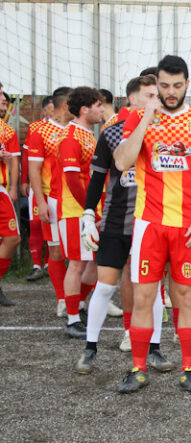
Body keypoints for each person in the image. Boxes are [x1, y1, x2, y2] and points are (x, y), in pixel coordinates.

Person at [114, 55, 191, 393]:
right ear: (156, 84)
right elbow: (121, 161)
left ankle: (189, 369)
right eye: (164, 86)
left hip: (189, 227)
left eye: (177, 85)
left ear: (187, 83)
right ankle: (138, 367)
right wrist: (147, 117)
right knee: (144, 297)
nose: (171, 92)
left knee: (187, 297)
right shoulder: (137, 117)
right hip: (150, 224)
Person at [75, 75, 173, 375]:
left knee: (152, 289)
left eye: (158, 95)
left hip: (151, 223)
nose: (156, 101)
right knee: (105, 287)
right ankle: (89, 349)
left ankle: (154, 348)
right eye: (149, 96)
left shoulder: (168, 133)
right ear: (133, 99)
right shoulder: (112, 133)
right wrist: (89, 215)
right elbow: (96, 177)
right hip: (116, 222)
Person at [55, 86, 103, 338]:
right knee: (76, 264)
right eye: (98, 105)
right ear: (84, 109)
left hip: (87, 210)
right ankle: (72, 318)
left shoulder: (87, 135)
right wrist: (89, 210)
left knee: (92, 262)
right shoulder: (71, 137)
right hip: (75, 211)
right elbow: (72, 180)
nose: (102, 110)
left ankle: (79, 306)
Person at [27, 87, 73, 317]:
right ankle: (63, 299)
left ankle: (81, 299)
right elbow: (33, 169)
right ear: (66, 105)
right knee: (55, 252)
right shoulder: (40, 131)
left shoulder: (80, 130)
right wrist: (41, 202)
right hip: (52, 200)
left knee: (83, 255)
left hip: (76, 201)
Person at [23, 96, 54, 282]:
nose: (53, 112)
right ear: (44, 111)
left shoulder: (65, 128)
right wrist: (24, 181)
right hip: (38, 185)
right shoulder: (35, 128)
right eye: (50, 109)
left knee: (50, 223)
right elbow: (27, 156)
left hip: (56, 187)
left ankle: (50, 264)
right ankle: (36, 265)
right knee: (35, 223)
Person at [0, 93, 21, 306]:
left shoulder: (7, 131)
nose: (4, 100)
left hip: (1, 191)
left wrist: (14, 187)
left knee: (12, 238)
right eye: (0, 96)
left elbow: (14, 160)